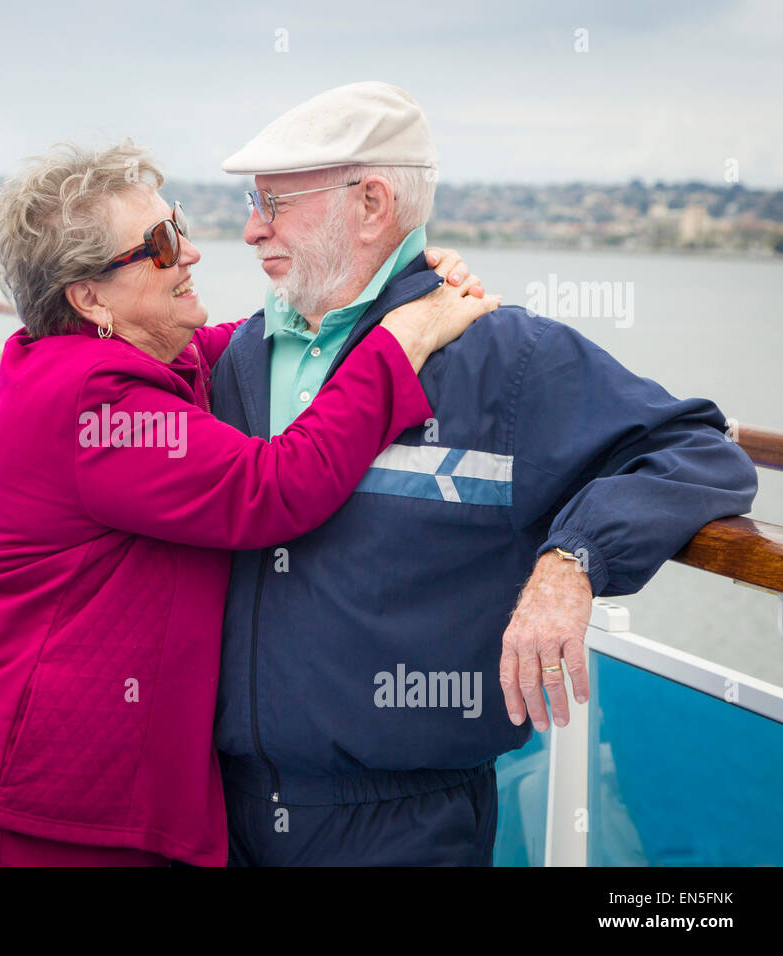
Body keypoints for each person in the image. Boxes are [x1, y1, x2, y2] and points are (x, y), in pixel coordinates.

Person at [0, 140, 496, 866]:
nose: (191, 254)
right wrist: (402, 340)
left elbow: (262, 341)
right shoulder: (97, 404)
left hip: (47, 787)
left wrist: (396, 279)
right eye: (158, 245)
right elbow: (274, 488)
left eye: (175, 225)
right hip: (25, 804)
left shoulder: (141, 361)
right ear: (89, 298)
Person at [211, 81, 759, 865]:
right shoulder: (241, 360)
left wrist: (573, 561)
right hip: (221, 815)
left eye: (273, 200)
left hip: (402, 830)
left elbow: (697, 450)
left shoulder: (508, 361)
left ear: (371, 205)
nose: (250, 226)